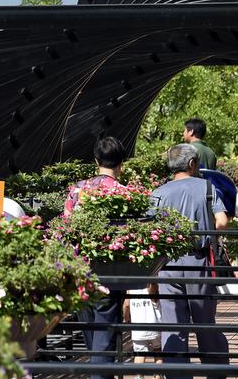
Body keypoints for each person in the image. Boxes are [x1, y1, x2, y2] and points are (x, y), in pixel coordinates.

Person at [153, 143, 230, 379]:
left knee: (173, 326)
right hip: (199, 262)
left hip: (167, 264)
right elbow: (222, 222)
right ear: (192, 164)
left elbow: (150, 231)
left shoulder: (158, 193)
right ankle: (215, 372)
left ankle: (177, 375)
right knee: (204, 321)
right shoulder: (207, 187)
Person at [65, 135, 128, 379]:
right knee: (104, 336)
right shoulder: (123, 192)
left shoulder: (77, 189)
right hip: (109, 273)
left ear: (95, 160)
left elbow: (66, 226)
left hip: (80, 271)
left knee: (91, 334)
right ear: (122, 162)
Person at [124, 284, 163, 379]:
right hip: (154, 326)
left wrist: (126, 319)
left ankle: (139, 376)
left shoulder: (130, 288)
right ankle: (158, 375)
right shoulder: (152, 286)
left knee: (139, 354)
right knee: (158, 351)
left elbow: (126, 305)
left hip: (138, 329)